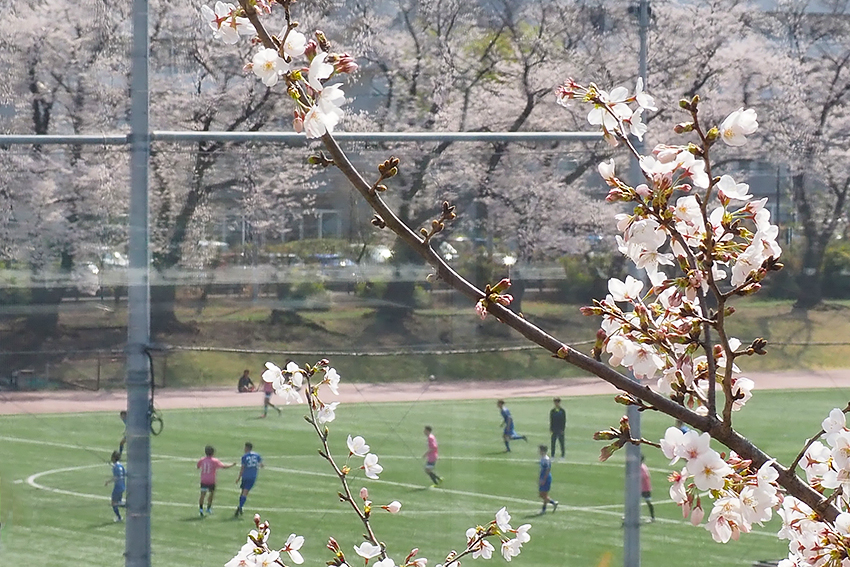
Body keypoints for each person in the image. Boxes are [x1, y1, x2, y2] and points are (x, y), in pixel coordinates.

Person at [197, 445, 235, 517]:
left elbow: (198, 466)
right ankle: (208, 508)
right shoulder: (214, 461)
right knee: (211, 494)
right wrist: (232, 465)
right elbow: (223, 466)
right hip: (211, 480)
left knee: (202, 494)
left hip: (204, 479)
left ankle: (201, 509)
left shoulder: (202, 460)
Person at [234, 442, 263, 517]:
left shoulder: (244, 456)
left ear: (246, 448)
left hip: (245, 476)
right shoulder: (257, 455)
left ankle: (240, 507)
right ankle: (240, 506)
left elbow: (242, 468)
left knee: (243, 491)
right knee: (245, 492)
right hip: (252, 476)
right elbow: (261, 464)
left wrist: (238, 478)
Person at [104, 450, 126, 522]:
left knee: (114, 503)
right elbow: (125, 473)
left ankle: (119, 517)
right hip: (123, 486)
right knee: (118, 502)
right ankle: (127, 506)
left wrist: (108, 482)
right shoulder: (120, 465)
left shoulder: (115, 467)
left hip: (117, 487)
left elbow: (116, 477)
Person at [537, 445, 558, 514]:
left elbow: (547, 470)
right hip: (544, 476)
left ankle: (553, 503)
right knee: (544, 494)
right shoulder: (544, 458)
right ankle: (544, 509)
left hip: (546, 477)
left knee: (542, 494)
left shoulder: (545, 459)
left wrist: (543, 479)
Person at [640, 455, 656, 522]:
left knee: (648, 502)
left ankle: (652, 517)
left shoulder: (642, 467)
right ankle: (630, 515)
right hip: (640, 488)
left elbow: (644, 476)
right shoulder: (641, 466)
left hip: (644, 488)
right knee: (634, 501)